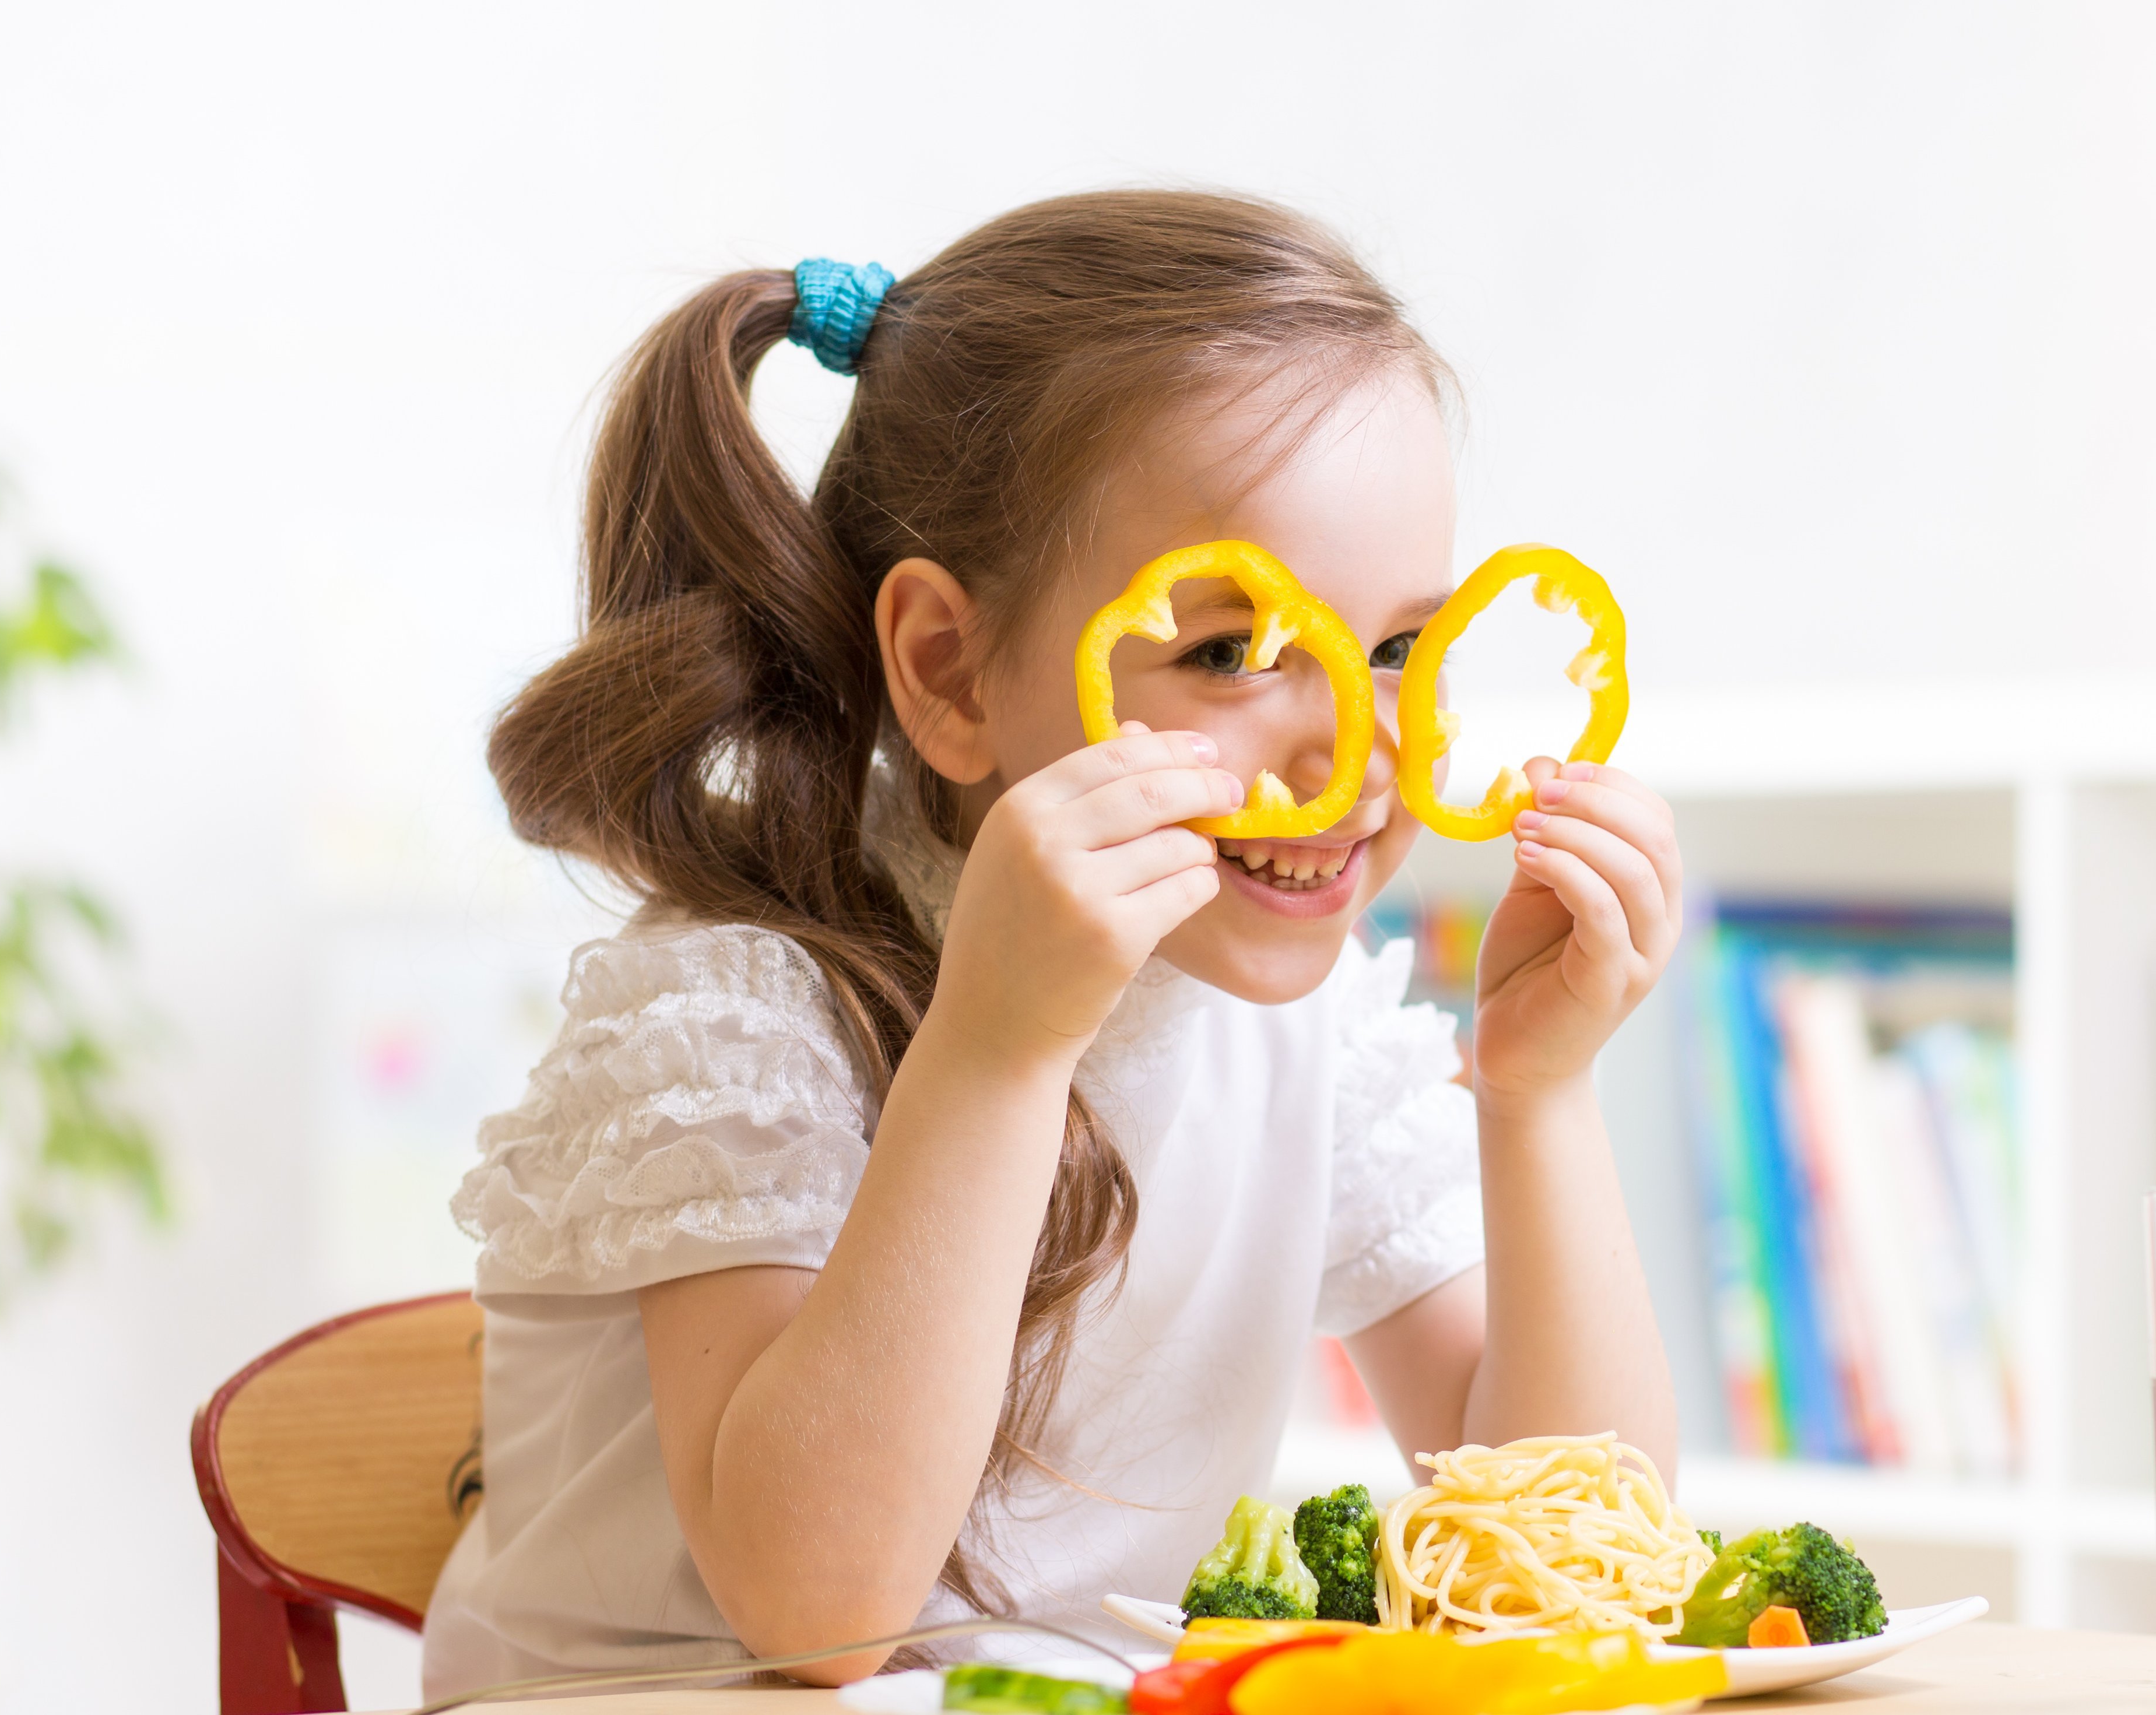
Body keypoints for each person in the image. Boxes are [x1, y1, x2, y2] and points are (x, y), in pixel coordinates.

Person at [422, 189, 1684, 1696]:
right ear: (950, 671)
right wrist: (1000, 1051)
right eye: (1233, 654)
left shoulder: (1299, 1029)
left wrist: (1538, 1098)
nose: (1352, 754)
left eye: (1401, 651)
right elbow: (818, 1613)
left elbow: (1565, 1559)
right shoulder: (735, 1015)